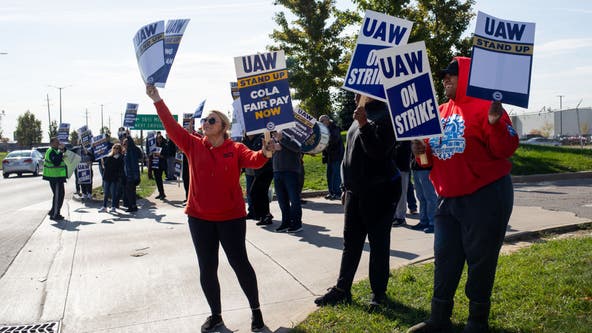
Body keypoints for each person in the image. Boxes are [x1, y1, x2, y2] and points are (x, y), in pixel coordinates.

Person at [146, 85, 273, 333]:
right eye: (204, 120)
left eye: (211, 120)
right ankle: (216, 316)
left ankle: (256, 313)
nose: (205, 123)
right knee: (207, 267)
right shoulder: (193, 145)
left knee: (240, 263)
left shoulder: (235, 149)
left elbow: (255, 160)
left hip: (231, 218)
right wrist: (157, 99)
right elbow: (172, 129)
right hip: (199, 217)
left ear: (223, 126)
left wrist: (266, 152)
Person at [407, 57, 518, 333]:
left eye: (452, 74)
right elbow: (427, 162)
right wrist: (419, 150)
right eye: (444, 75)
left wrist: (495, 123)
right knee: (445, 258)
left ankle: (477, 321)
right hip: (448, 199)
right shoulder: (439, 111)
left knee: (480, 261)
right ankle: (438, 319)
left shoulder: (487, 107)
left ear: (467, 76)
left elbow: (506, 148)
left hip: (486, 195)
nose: (445, 78)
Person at [315, 95, 401, 307]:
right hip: (355, 193)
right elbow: (348, 156)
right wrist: (345, 187)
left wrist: (363, 124)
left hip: (380, 193)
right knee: (351, 244)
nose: (355, 94)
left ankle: (379, 294)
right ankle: (342, 289)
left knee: (379, 244)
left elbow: (378, 152)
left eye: (360, 90)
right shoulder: (358, 116)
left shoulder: (388, 115)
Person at [271, 131, 303, 233]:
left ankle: (297, 224)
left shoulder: (293, 130)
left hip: (291, 170)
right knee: (282, 200)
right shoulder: (272, 133)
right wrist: (270, 147)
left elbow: (297, 147)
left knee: (294, 199)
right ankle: (286, 222)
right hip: (277, 170)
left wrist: (282, 140)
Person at [319, 114, 344, 200]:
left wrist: (325, 144)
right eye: (320, 121)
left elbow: (334, 140)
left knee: (336, 175)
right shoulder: (323, 129)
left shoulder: (334, 128)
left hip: (336, 155)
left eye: (322, 121)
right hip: (329, 156)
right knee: (329, 175)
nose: (320, 123)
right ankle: (331, 192)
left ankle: (338, 193)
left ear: (328, 121)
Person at [409, 158, 437, 233]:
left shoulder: (425, 145)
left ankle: (433, 223)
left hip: (425, 168)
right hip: (416, 167)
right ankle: (423, 221)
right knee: (421, 197)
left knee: (430, 197)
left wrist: (423, 164)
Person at [43, 137, 67, 221]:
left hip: (58, 177)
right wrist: (61, 151)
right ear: (52, 143)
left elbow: (65, 153)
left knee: (61, 195)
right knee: (57, 196)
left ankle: (54, 211)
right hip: (54, 177)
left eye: (59, 142)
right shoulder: (51, 152)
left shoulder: (56, 151)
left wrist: (63, 149)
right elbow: (56, 162)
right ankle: (54, 214)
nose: (58, 144)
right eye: (56, 142)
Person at [99, 144, 124, 213]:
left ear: (120, 150)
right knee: (106, 192)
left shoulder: (120, 158)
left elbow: (120, 168)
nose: (116, 149)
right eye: (114, 148)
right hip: (107, 176)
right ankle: (104, 207)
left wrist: (119, 176)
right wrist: (101, 157)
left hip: (114, 177)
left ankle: (113, 206)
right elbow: (104, 166)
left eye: (117, 148)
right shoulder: (109, 156)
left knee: (113, 192)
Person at [392, 141, 412, 226]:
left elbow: (405, 151)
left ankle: (401, 217)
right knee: (393, 194)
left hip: (402, 167)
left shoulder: (405, 139)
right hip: (393, 167)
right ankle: (395, 216)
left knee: (402, 193)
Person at [122, 132, 141, 213]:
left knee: (130, 192)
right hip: (128, 175)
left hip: (131, 175)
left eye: (125, 143)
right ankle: (133, 206)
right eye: (123, 144)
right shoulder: (126, 152)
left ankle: (131, 206)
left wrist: (128, 136)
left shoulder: (131, 151)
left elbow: (132, 164)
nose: (124, 145)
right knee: (131, 192)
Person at [151, 134, 167, 200]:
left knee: (159, 179)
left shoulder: (165, 146)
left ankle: (162, 193)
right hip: (155, 164)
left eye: (160, 138)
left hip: (161, 164)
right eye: (157, 138)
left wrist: (160, 156)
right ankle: (160, 193)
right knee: (157, 179)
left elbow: (166, 156)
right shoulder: (154, 146)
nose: (158, 140)